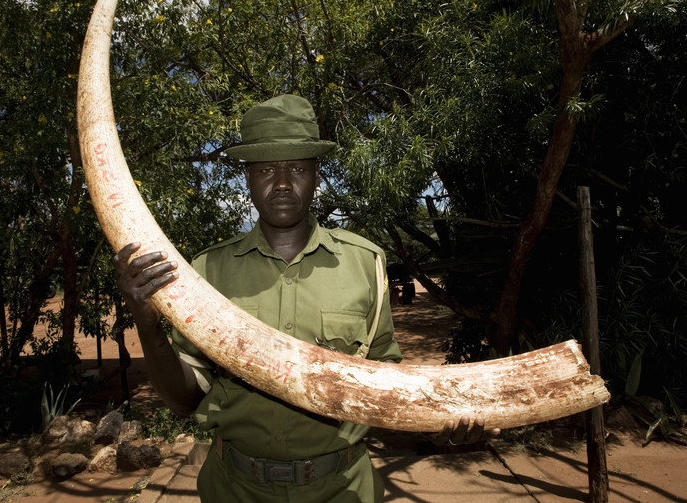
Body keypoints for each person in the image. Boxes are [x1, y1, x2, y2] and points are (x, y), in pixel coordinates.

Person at [113, 95, 496, 502]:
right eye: (265, 169)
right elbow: (185, 400)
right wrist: (148, 325)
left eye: (296, 168)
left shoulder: (366, 264)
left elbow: (384, 386)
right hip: (234, 490)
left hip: (343, 490)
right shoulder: (207, 271)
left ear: (316, 175)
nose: (281, 183)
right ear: (247, 177)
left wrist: (441, 423)